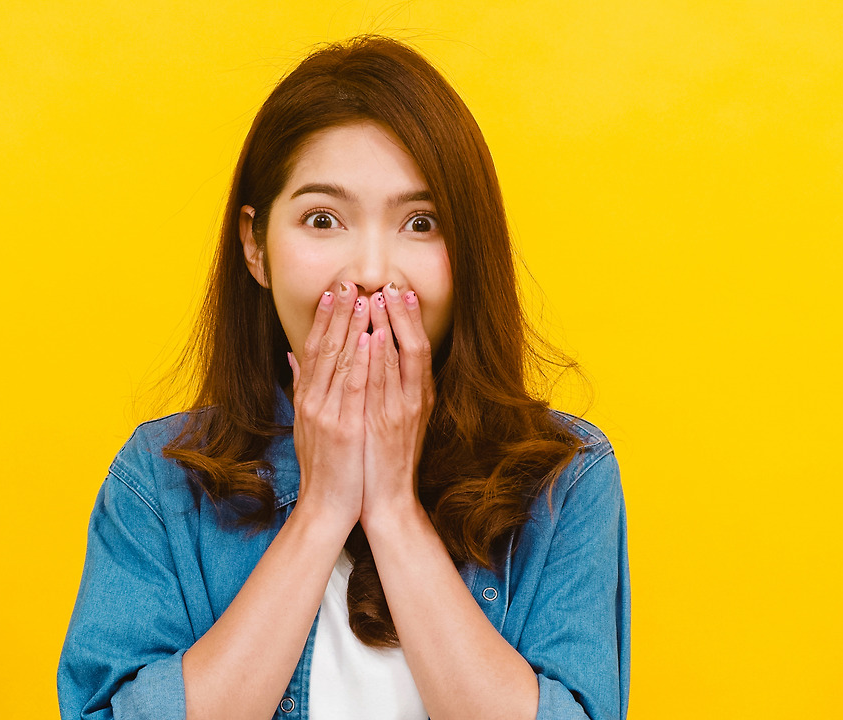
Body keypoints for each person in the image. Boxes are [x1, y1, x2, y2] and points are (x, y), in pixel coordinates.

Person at [57, 34, 629, 720]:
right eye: (322, 218)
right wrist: (323, 508)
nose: (369, 271)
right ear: (255, 244)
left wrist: (392, 510)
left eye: (421, 223)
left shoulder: (567, 482)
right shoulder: (157, 481)